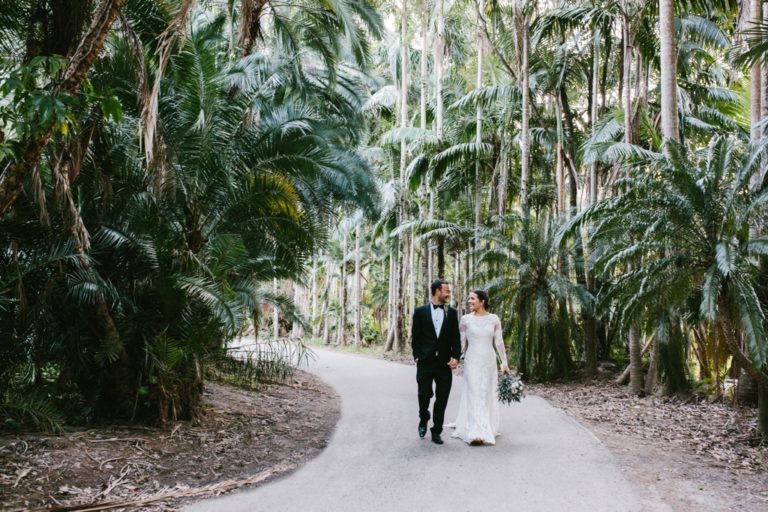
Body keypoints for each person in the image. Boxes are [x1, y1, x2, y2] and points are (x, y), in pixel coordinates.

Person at [451, 289, 509, 446]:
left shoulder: (494, 319)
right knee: (474, 392)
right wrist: (455, 358)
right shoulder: (465, 320)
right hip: (472, 360)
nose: (469, 301)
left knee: (485, 392)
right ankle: (475, 432)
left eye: (472, 298)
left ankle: (485, 426)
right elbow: (461, 342)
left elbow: (499, 342)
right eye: (469, 298)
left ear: (482, 301)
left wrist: (504, 362)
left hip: (489, 361)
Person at [411, 279, 461, 445]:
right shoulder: (420, 312)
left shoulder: (452, 313)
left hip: (444, 363)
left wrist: (455, 357)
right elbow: (415, 337)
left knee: (442, 398)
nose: (449, 294)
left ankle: (436, 431)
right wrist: (417, 356)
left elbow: (456, 337)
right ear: (438, 291)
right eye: (447, 291)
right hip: (425, 362)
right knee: (424, 394)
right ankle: (424, 417)